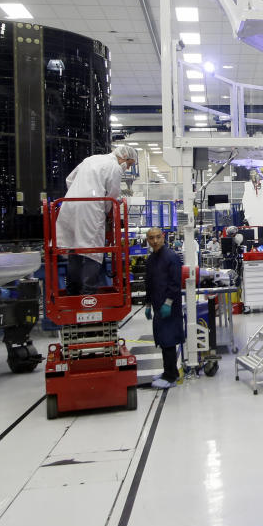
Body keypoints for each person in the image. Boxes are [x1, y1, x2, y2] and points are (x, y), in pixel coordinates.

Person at [56, 145, 138, 295]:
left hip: (69, 204)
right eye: (129, 164)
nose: (127, 168)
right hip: (90, 209)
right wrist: (106, 211)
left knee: (75, 248)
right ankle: (88, 294)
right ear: (124, 158)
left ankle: (72, 291)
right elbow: (112, 195)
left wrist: (78, 195)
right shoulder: (115, 167)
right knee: (93, 250)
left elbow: (69, 180)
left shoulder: (91, 159)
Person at [144, 227, 183, 390]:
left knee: (169, 340)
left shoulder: (171, 258)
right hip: (157, 305)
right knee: (162, 339)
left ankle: (171, 376)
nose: (155, 241)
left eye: (158, 237)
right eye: (151, 238)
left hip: (169, 306)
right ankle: (168, 371)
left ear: (163, 237)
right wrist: (147, 304)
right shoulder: (151, 259)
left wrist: (168, 303)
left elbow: (175, 283)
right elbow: (149, 283)